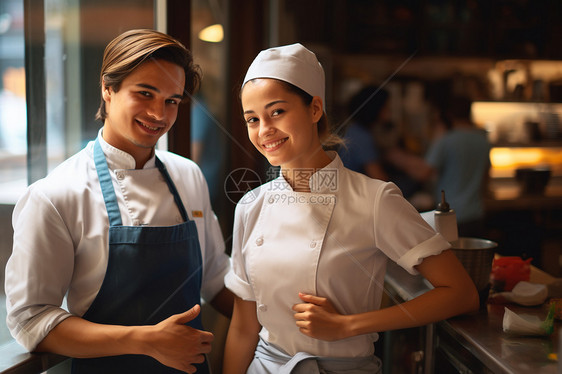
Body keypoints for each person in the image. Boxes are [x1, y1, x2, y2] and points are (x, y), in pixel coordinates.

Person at [222, 43, 479, 374]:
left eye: (277, 112)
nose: (264, 130)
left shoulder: (375, 199)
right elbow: (244, 328)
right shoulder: (250, 205)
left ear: (315, 109)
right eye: (252, 119)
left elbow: (460, 293)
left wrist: (349, 325)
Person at [5, 29, 233, 374]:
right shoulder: (56, 195)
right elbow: (31, 319)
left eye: (172, 100)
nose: (159, 113)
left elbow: (216, 277)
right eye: (145, 93)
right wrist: (146, 341)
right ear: (107, 89)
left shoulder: (187, 175)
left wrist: (287, 326)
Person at [387, 96, 491, 237]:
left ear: (447, 115)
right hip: (476, 213)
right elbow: (485, 178)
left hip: (450, 216)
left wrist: (397, 159)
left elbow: (424, 173)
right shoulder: (482, 140)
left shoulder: (446, 140)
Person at [338, 85, 390, 181]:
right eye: (385, 107)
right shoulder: (361, 137)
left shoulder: (355, 130)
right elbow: (379, 178)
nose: (388, 112)